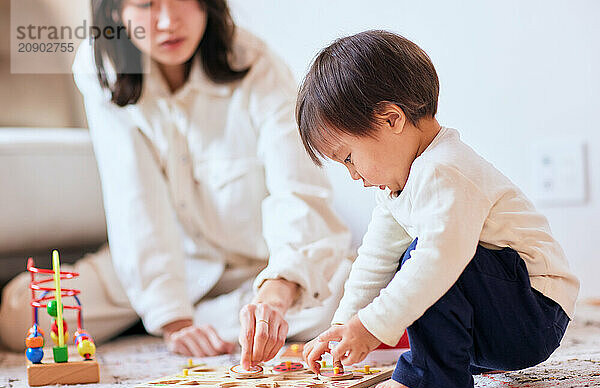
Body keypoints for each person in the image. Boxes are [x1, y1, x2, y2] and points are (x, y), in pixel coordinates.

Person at [0, 0, 352, 368]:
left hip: (252, 270)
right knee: (23, 314)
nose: (168, 22)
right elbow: (134, 200)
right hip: (157, 262)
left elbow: (297, 192)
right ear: (116, 12)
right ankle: (181, 317)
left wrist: (275, 294)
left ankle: (195, 319)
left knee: (343, 294)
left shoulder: (257, 66)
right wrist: (172, 318)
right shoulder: (101, 65)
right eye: (147, 4)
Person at [298, 30, 579, 388]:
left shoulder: (443, 169)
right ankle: (450, 359)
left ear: (391, 119)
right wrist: (345, 322)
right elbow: (374, 259)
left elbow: (439, 260)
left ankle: (433, 376)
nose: (354, 176)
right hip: (503, 316)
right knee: (404, 257)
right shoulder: (400, 186)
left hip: (534, 313)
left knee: (424, 259)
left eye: (349, 158)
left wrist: (370, 327)